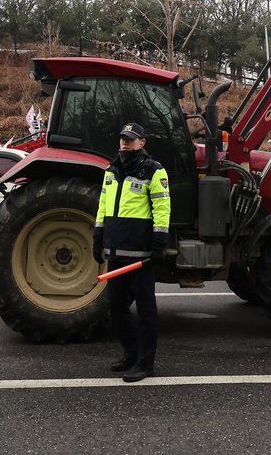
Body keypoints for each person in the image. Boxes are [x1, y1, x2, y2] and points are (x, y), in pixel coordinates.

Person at [93, 122, 170, 383]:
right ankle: (131, 353)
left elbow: (162, 208)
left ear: (142, 142)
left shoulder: (154, 171)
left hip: (141, 254)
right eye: (123, 138)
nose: (125, 143)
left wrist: (159, 244)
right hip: (116, 249)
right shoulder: (111, 170)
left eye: (131, 139)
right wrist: (98, 236)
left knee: (147, 310)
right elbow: (103, 205)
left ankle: (145, 364)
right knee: (115, 306)